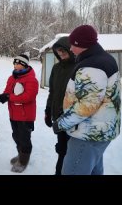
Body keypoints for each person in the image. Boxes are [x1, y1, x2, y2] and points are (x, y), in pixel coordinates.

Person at [53, 25, 121, 175]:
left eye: (73, 45)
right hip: (99, 130)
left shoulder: (92, 66)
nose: (70, 48)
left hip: (87, 134)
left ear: (81, 45)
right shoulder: (103, 59)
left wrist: (62, 122)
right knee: (93, 170)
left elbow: (87, 105)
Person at [0, 54, 38, 173]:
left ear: (24, 65)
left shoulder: (31, 79)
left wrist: (9, 97)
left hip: (25, 115)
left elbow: (28, 97)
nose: (15, 65)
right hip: (14, 114)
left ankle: (23, 161)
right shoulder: (12, 78)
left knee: (24, 138)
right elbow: (8, 92)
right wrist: (1, 97)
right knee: (16, 136)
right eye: (15, 63)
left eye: (18, 63)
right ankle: (21, 155)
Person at [45, 37, 75, 175]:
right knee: (62, 149)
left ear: (70, 49)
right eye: (58, 51)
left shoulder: (78, 67)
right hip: (58, 115)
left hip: (73, 117)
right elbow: (52, 91)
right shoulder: (56, 68)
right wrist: (48, 110)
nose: (61, 53)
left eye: (63, 50)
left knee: (72, 151)